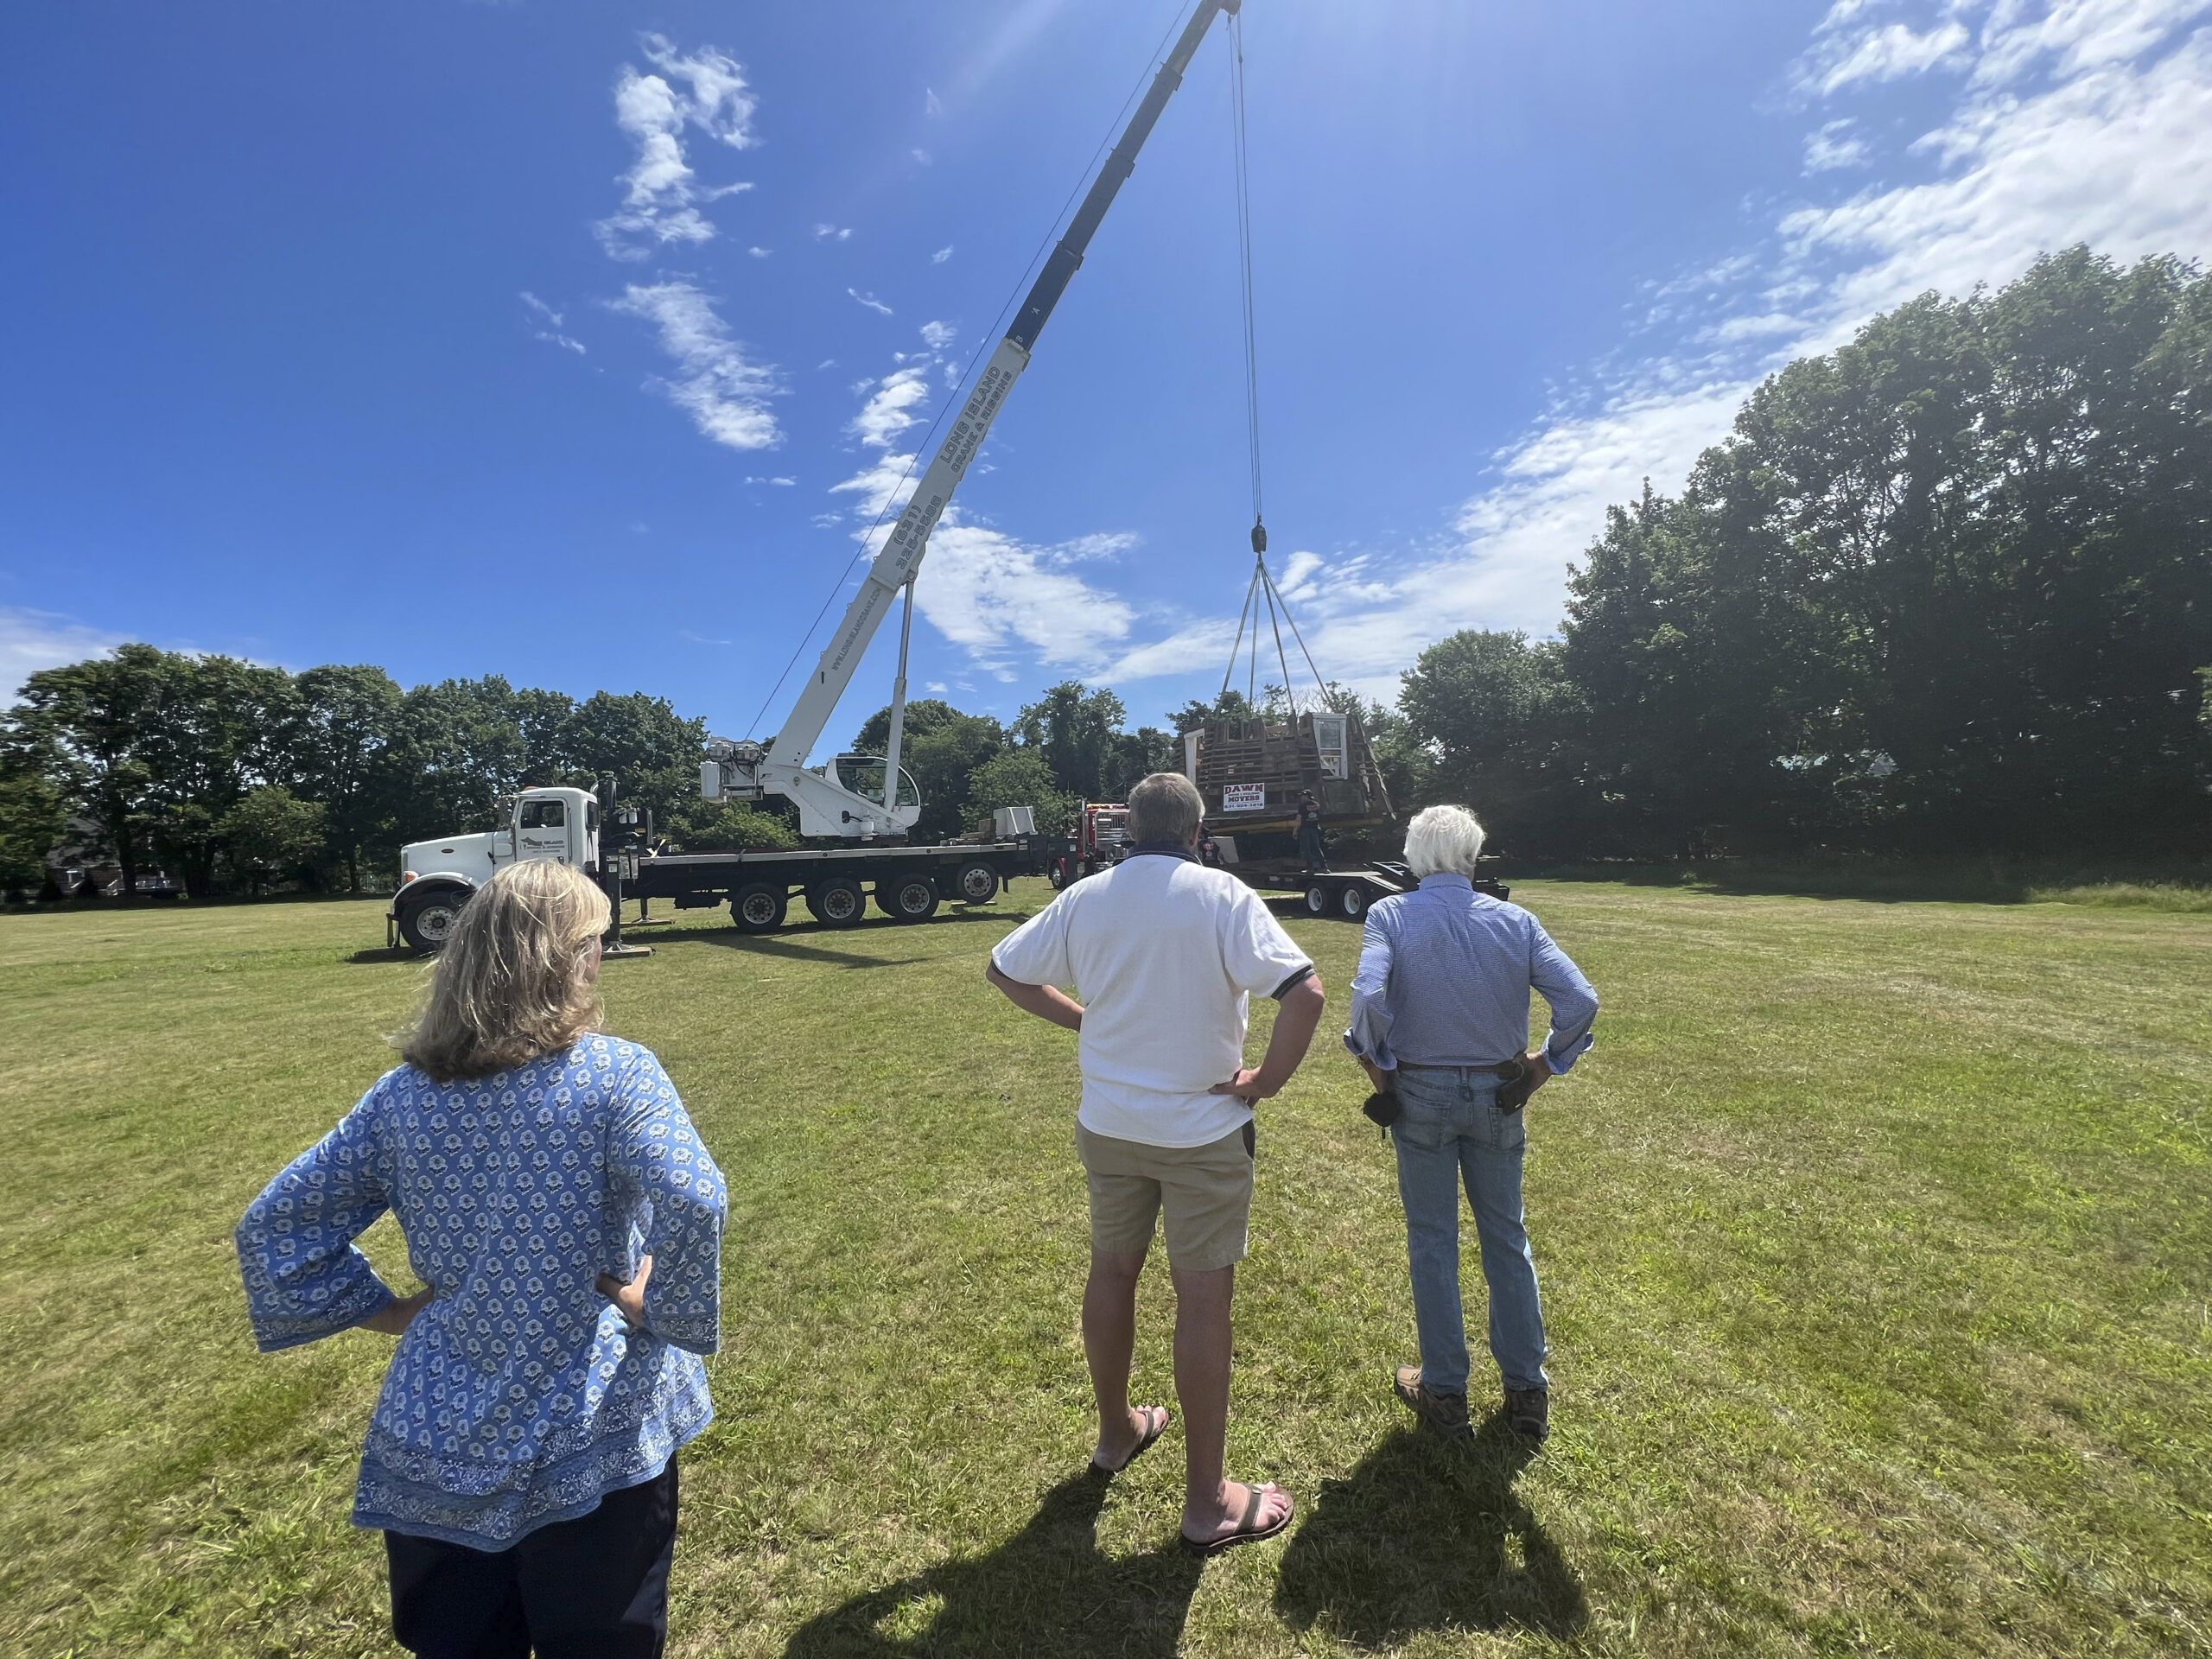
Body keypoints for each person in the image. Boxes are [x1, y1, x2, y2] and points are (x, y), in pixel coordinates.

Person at [234, 860, 727, 1658]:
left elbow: (276, 1226)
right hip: (594, 1424)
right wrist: (662, 1311)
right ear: (570, 958)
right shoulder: (618, 1074)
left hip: (440, 1438)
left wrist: (386, 1312)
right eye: (597, 939)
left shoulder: (403, 1097)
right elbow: (696, 1199)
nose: (603, 955)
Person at [988, 772, 1325, 1554]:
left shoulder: (1088, 896)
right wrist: (1263, 1084)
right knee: (1202, 1303)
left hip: (1109, 1125)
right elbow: (1303, 993)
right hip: (1204, 1131)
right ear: (1198, 829)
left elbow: (1005, 969)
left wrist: (1084, 1022)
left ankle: (1116, 1435)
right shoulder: (1223, 894)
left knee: (1112, 1272)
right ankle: (1205, 1505)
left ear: (1125, 830)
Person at [1344, 804, 1597, 1446]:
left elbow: (1370, 997)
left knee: (1433, 1241)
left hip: (1420, 1092)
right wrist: (1545, 1065)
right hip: (1500, 1092)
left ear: (1413, 859)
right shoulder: (1516, 920)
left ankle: (1446, 1389)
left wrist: (1376, 1064)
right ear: (1473, 857)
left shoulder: (1390, 915)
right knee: (1506, 1238)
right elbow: (1580, 1001)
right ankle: (1526, 1390)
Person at [1295, 790, 1328, 872]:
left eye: (1302, 796)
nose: (1301, 798)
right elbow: (1320, 816)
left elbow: (1298, 820)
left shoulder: (1303, 806)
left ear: (1306, 796)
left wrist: (1295, 831)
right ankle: (1324, 867)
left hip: (1305, 829)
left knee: (1307, 849)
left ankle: (1310, 868)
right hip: (1314, 828)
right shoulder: (1317, 805)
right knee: (1317, 848)